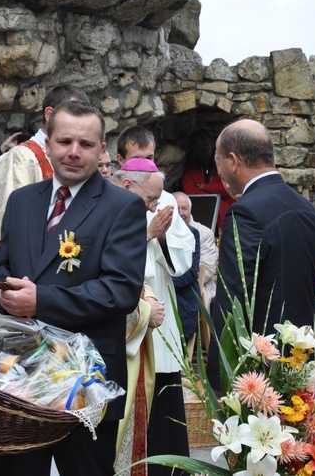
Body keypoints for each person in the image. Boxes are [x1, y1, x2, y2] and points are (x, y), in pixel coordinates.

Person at [0, 100, 147, 476]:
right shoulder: (22, 201)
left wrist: (41, 300)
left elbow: (120, 290)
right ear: (49, 143)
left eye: (86, 144)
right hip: (18, 377)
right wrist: (3, 291)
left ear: (102, 148)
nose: (74, 152)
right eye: (65, 141)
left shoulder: (123, 207)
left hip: (86, 381)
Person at [207, 119, 315, 390]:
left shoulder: (245, 212)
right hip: (304, 356)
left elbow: (233, 299)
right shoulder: (308, 209)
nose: (219, 170)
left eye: (219, 160)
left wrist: (218, 370)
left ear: (233, 160)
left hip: (260, 367)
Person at [115, 129, 195, 475]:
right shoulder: (110, 201)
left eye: (152, 155)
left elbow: (182, 259)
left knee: (163, 400)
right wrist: (146, 234)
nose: (153, 205)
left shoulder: (163, 202)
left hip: (157, 308)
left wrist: (161, 238)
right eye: (141, 155)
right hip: (126, 315)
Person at [109, 160, 168, 476]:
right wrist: (145, 311)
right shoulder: (106, 215)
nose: (151, 209)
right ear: (128, 186)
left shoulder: (121, 213)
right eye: (150, 200)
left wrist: (147, 300)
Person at [0, 84, 89, 243]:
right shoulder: (21, 157)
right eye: (74, 115)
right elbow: (9, 224)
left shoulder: (75, 158)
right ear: (49, 114)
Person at [181, 129, 234, 232]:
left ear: (211, 143)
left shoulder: (222, 164)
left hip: (225, 214)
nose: (202, 147)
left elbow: (227, 187)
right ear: (194, 148)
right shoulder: (190, 167)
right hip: (201, 213)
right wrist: (216, 192)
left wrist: (203, 186)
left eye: (205, 143)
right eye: (198, 145)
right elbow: (189, 191)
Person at [173, 191, 217, 311]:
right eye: (176, 209)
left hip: (198, 286)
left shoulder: (204, 233)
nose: (181, 213)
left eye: (184, 209)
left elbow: (207, 268)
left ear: (190, 210)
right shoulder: (162, 232)